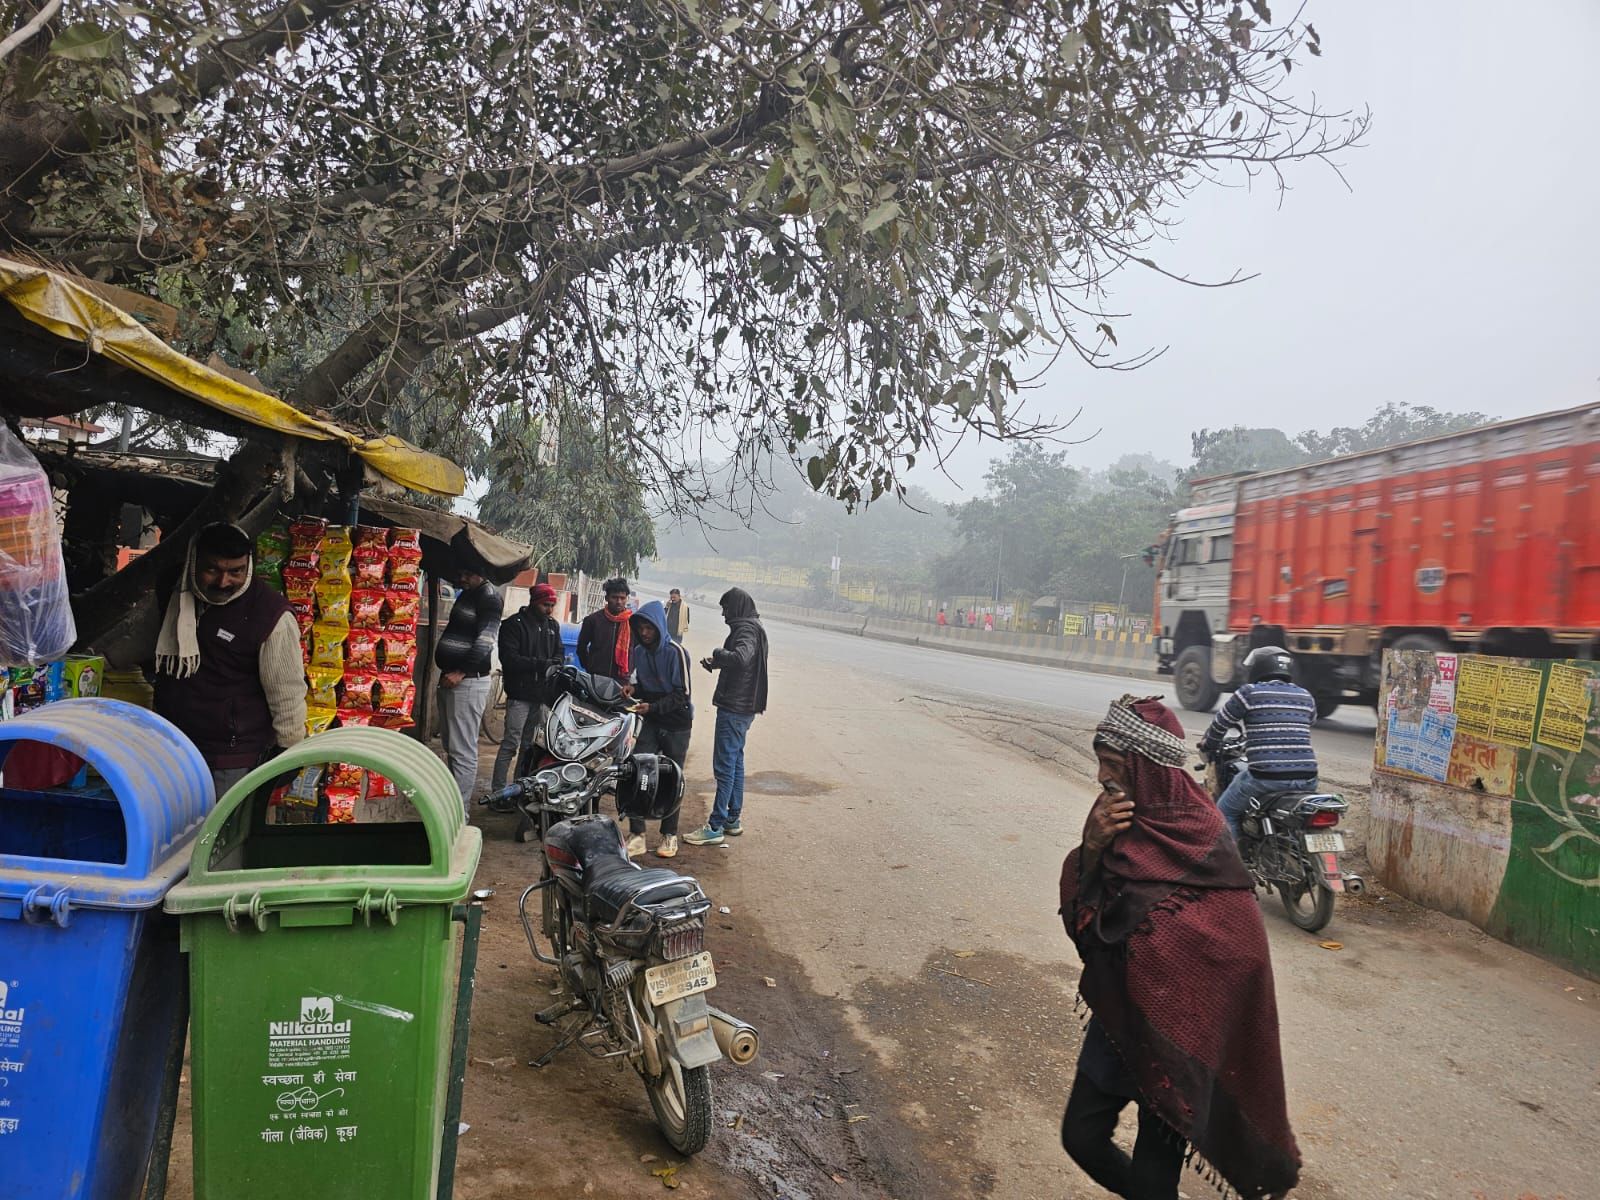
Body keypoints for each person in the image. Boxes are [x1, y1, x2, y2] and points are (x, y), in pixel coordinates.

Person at [1058, 695, 1300, 1200]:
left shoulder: (1204, 835)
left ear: (1146, 767)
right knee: (1080, 1136)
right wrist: (1092, 847)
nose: (1102, 776)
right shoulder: (1114, 822)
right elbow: (1086, 928)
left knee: (1154, 1178)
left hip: (1186, 1038)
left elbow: (1240, 951)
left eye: (1113, 764)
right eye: (1100, 761)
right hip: (1121, 1018)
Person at [153, 522, 307, 797]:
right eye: (212, 570)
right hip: (170, 744)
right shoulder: (175, 593)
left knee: (219, 825)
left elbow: (287, 691)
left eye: (235, 571)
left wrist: (289, 751)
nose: (223, 582)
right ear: (194, 563)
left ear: (249, 566)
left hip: (230, 758)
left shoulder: (270, 615)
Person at [1199, 645, 1318, 840]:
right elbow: (1309, 721)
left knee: (1225, 811)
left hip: (1267, 778)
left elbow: (1220, 724)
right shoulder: (1305, 696)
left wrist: (1209, 744)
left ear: (1258, 668)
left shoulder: (1248, 693)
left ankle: (1232, 858)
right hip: (1308, 778)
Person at [683, 587, 768, 847]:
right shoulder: (753, 627)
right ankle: (732, 819)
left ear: (737, 608)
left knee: (724, 767)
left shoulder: (746, 630)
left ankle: (715, 825)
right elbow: (743, 663)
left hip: (735, 708)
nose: (724, 615)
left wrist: (719, 653)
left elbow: (741, 658)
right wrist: (717, 663)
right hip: (743, 707)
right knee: (735, 763)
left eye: (726, 609)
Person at [625, 599, 692, 858]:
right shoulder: (639, 652)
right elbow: (645, 685)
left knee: (672, 777)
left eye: (649, 628)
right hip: (652, 720)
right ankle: (637, 834)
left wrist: (652, 707)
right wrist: (633, 689)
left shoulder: (676, 652)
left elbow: (682, 694)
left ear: (659, 627)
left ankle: (669, 835)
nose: (644, 633)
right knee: (636, 770)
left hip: (676, 723)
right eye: (641, 628)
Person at [435, 565, 503, 815]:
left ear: (481, 573)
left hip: (467, 681)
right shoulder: (469, 593)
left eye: (467, 573)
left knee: (462, 751)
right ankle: (451, 805)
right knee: (452, 747)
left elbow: (486, 641)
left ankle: (459, 812)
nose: (461, 577)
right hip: (453, 679)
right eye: (461, 572)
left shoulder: (489, 598)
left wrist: (461, 671)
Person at [491, 582, 566, 793]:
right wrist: (543, 665)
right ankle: (498, 792)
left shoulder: (552, 626)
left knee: (529, 746)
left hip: (541, 695)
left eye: (552, 605)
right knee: (510, 744)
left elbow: (559, 653)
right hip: (519, 694)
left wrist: (556, 663)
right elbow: (510, 659)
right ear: (534, 602)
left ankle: (519, 789)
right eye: (545, 605)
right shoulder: (513, 625)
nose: (549, 609)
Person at [576, 576, 633, 684]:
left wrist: (629, 671)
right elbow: (581, 647)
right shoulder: (593, 620)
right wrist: (590, 667)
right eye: (614, 597)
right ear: (606, 598)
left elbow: (637, 651)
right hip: (596, 678)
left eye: (622, 598)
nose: (619, 602)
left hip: (622, 681)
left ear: (627, 599)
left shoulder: (632, 623)